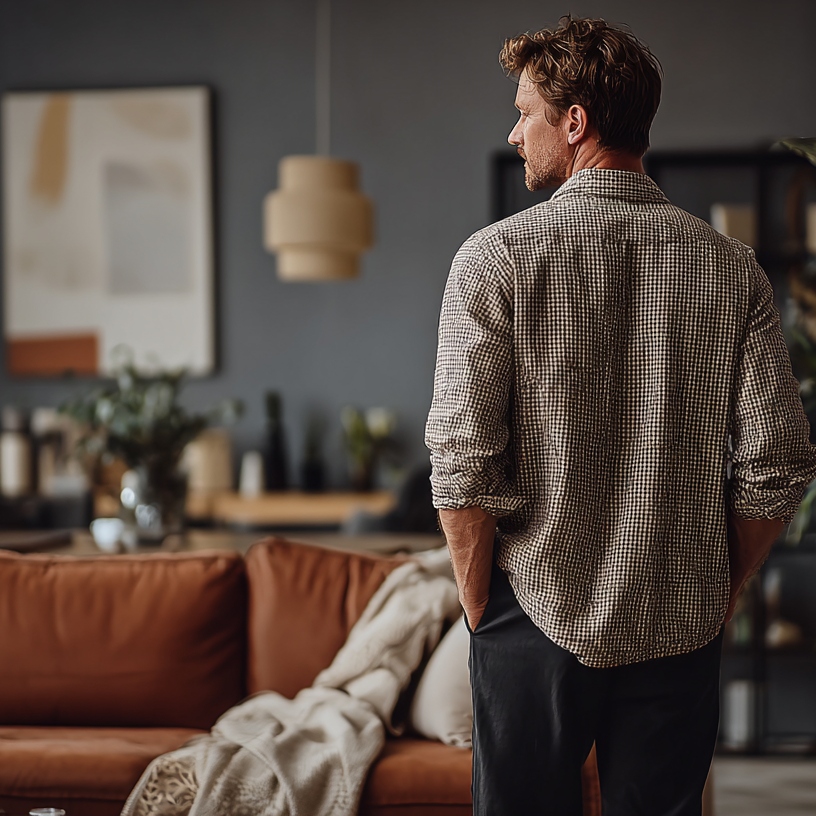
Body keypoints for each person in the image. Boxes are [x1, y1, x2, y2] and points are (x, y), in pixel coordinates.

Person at [425, 15, 816, 816]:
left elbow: (462, 467)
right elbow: (778, 467)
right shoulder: (730, 267)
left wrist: (482, 612)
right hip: (679, 620)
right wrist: (720, 591)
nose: (516, 129)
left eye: (525, 110)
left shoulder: (494, 258)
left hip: (531, 617)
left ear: (576, 122)